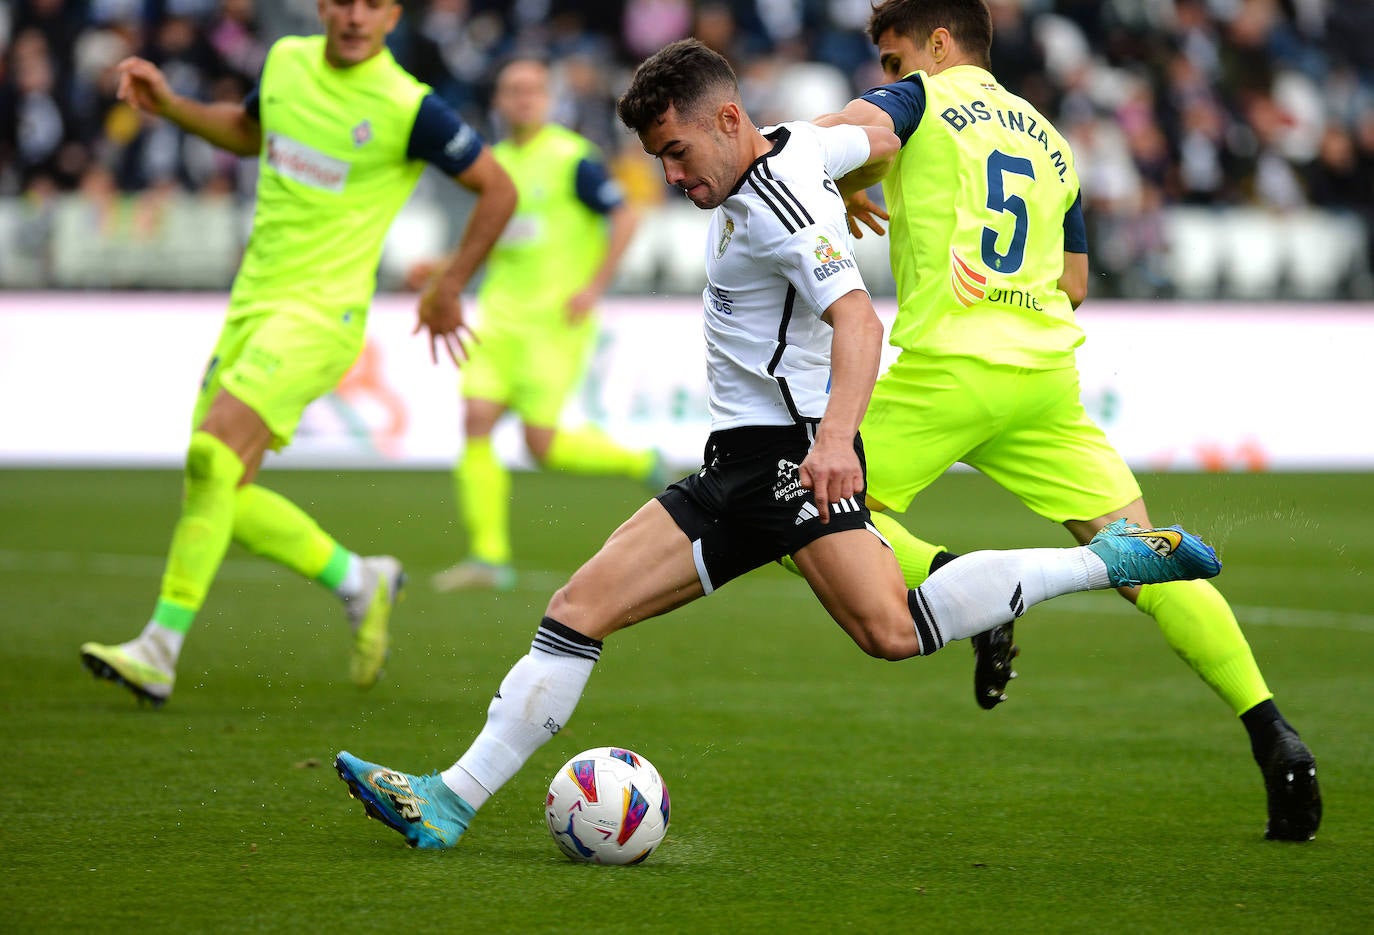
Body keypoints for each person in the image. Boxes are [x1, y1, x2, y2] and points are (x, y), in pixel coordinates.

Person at [331, 38, 1222, 850]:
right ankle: (446, 801)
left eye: (676, 152)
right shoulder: (794, 144)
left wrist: (836, 441)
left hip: (789, 459)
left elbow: (859, 323)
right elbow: (858, 138)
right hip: (743, 462)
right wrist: (857, 187)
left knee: (880, 627)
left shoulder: (779, 211)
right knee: (850, 625)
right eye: (657, 160)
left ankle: (1110, 560)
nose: (673, 175)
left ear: (726, 121)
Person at [809, 0, 1320, 841]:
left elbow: (818, 145)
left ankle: (967, 581)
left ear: (939, 46)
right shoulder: (1049, 139)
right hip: (1045, 382)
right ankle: (1273, 731)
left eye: (898, 58)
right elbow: (1075, 280)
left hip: (947, 372)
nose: (890, 76)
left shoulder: (918, 100)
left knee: (801, 510)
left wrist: (839, 177)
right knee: (1144, 555)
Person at [79, 0, 517, 706]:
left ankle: (159, 648)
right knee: (222, 487)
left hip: (322, 314)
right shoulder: (284, 63)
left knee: (212, 456)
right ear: (322, 6)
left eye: (372, 4)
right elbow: (251, 132)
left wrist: (450, 285)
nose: (354, 16)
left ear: (392, 15)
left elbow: (498, 187)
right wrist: (172, 105)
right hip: (251, 304)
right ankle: (359, 579)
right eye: (343, 0)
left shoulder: (410, 107)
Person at [430, 56, 662, 594]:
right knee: (475, 420)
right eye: (513, 90)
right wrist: (443, 267)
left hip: (554, 320)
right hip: (499, 316)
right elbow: (491, 236)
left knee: (542, 445)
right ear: (498, 100)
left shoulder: (572, 158)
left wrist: (593, 286)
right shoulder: (492, 163)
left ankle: (639, 461)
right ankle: (488, 557)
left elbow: (625, 217)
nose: (523, 99)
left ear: (548, 98)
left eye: (533, 90)